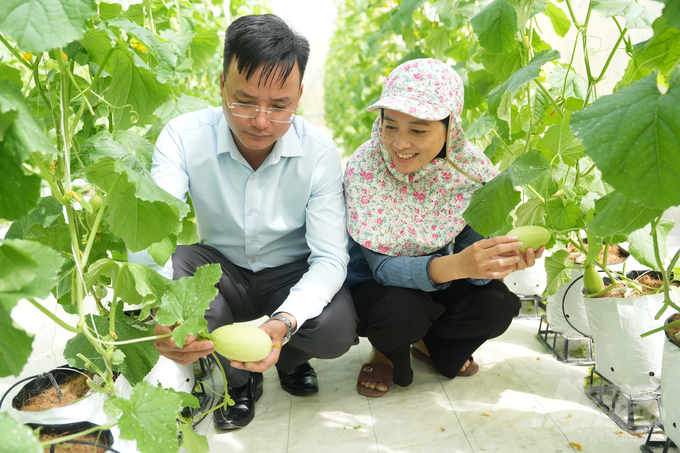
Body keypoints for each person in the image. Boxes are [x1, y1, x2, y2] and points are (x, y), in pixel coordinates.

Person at [130, 14, 358, 429]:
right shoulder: (183, 136)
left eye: (280, 105)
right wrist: (162, 310)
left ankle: (289, 357)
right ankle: (238, 382)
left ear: (300, 95)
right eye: (245, 100)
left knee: (336, 328)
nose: (261, 120)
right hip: (220, 267)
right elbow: (153, 229)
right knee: (178, 276)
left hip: (290, 271)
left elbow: (329, 258)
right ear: (221, 84)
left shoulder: (319, 151)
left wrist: (285, 322)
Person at [343, 58, 545, 397]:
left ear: (451, 127)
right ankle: (385, 352)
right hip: (382, 289)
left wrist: (497, 263)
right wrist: (460, 265)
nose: (399, 143)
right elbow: (381, 269)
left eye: (418, 129)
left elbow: (475, 261)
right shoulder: (367, 166)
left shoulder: (470, 170)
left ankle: (427, 344)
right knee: (399, 311)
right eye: (390, 125)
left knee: (498, 304)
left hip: (444, 279)